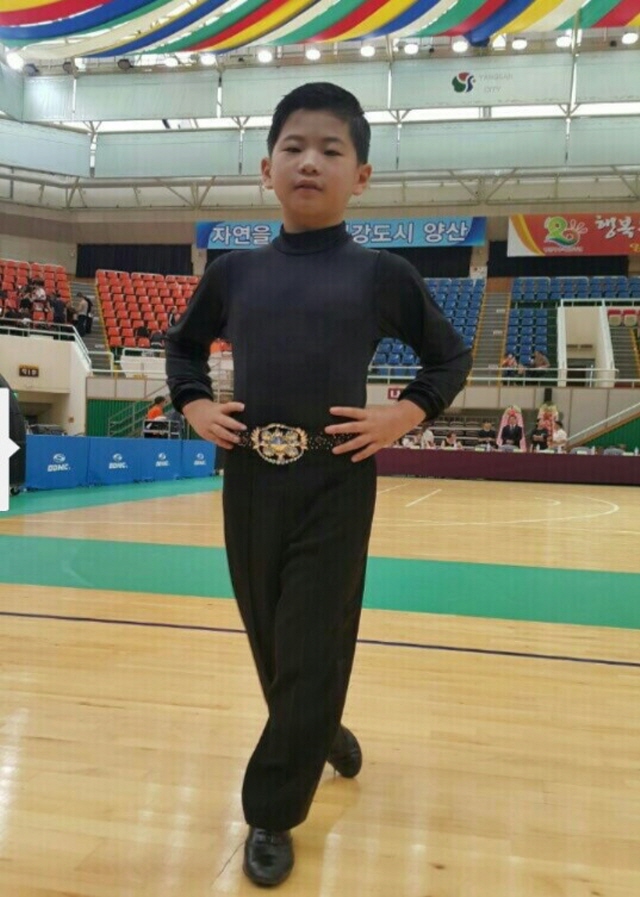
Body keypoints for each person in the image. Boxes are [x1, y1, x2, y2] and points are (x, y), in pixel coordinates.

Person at [165, 82, 472, 888]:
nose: (310, 161)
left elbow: (450, 357)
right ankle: (321, 730)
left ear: (360, 176)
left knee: (308, 644)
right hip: (248, 485)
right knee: (273, 643)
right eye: (294, 147)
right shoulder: (234, 273)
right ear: (266, 167)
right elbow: (183, 348)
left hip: (336, 484)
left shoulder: (381, 275)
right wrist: (194, 403)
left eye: (331, 150)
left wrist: (402, 414)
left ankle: (271, 811)